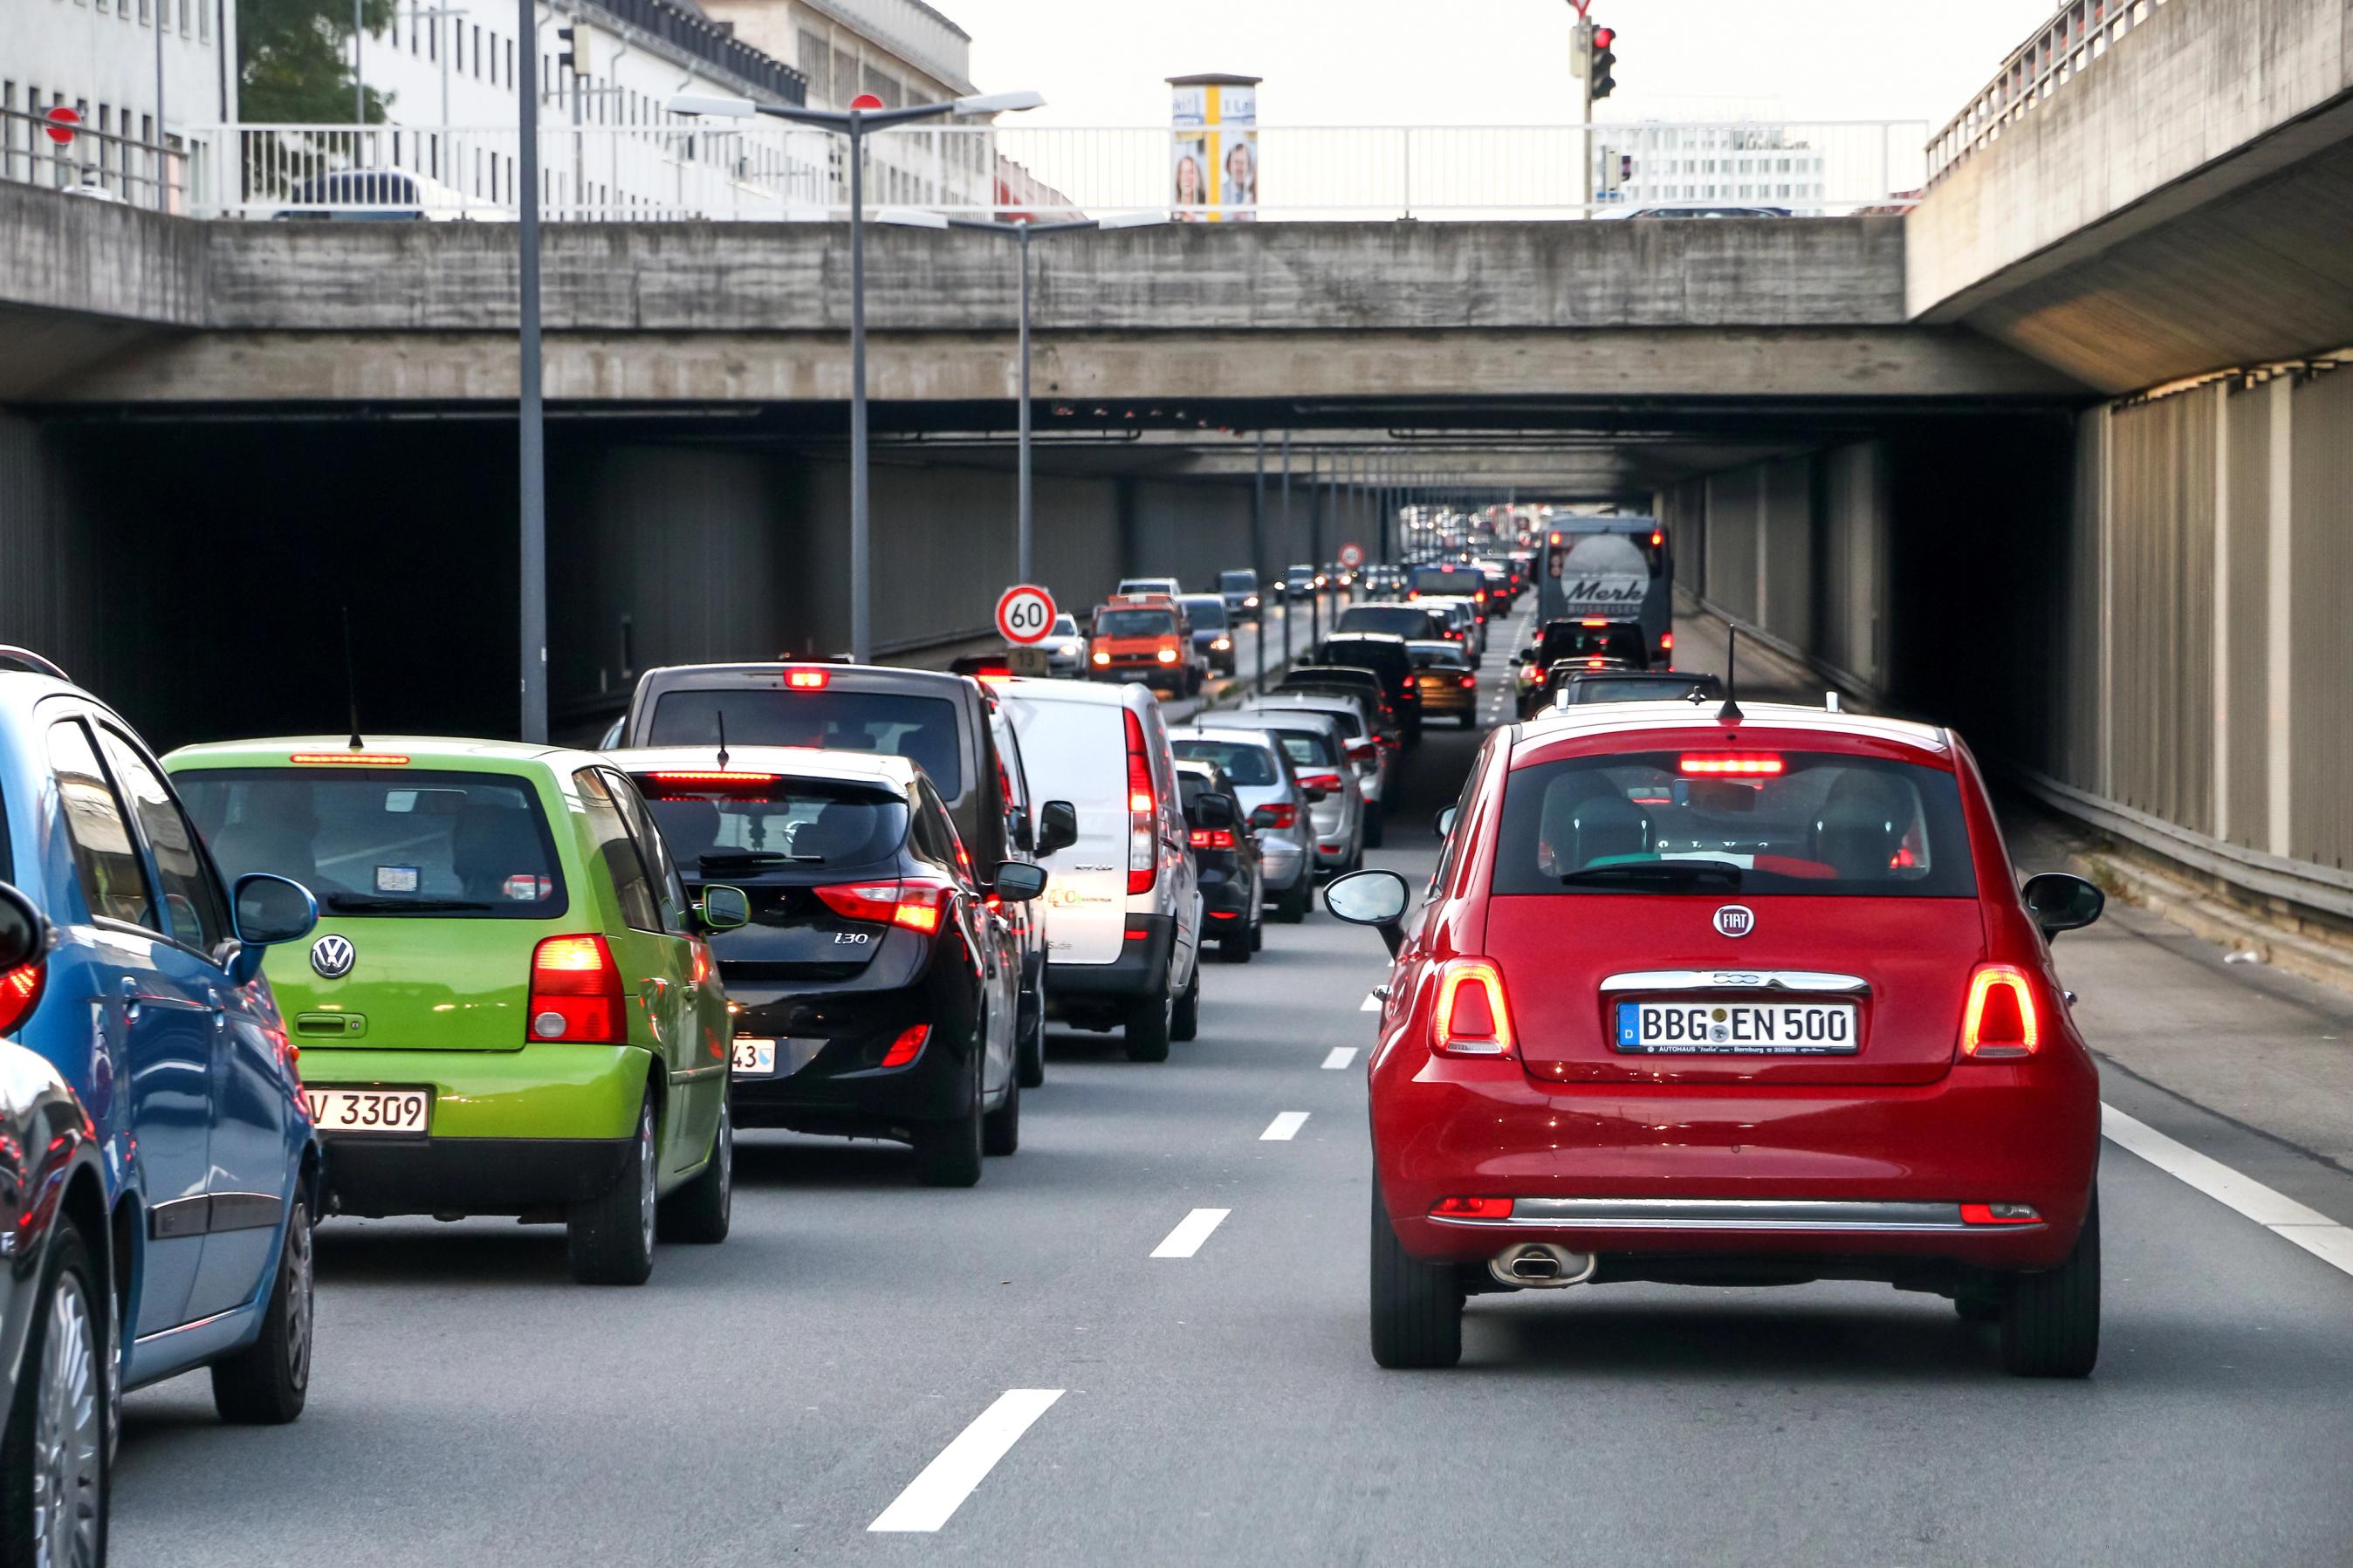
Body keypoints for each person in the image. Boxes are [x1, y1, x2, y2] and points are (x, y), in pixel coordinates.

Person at [1220, 139, 1257, 213]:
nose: (1240, 168)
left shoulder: (1254, 193)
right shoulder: (1220, 193)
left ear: (1249, 166)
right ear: (1228, 165)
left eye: (1243, 163)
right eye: (1236, 162)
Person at [1173, 151, 1205, 220]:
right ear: (1178, 178)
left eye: (1191, 172)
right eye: (1182, 172)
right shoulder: (1172, 208)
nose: (1187, 177)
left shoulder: (1207, 206)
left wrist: (1196, 219)